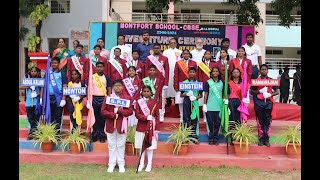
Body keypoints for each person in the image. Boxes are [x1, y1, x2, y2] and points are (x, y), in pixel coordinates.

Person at [101, 80, 133, 173]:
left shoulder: (127, 98)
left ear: (123, 87)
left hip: (121, 124)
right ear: (113, 87)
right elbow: (103, 111)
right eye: (116, 86)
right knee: (111, 145)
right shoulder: (108, 97)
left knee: (120, 144)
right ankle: (111, 164)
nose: (118, 87)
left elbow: (130, 111)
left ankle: (121, 164)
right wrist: (112, 114)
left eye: (119, 86)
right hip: (111, 124)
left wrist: (119, 111)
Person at [250, 64, 279, 147]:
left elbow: (277, 91)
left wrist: (270, 95)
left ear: (267, 71)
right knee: (260, 121)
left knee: (268, 121)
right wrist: (260, 91)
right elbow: (252, 92)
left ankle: (267, 139)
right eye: (262, 69)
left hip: (268, 102)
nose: (263, 71)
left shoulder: (272, 80)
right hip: (259, 102)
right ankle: (261, 139)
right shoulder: (256, 81)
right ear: (260, 71)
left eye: (265, 69)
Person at [135, 86, 160, 172]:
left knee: (150, 146)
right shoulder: (138, 102)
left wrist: (156, 128)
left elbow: (157, 116)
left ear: (151, 92)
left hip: (151, 128)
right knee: (141, 146)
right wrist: (146, 117)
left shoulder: (154, 102)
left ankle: (149, 164)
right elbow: (137, 115)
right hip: (141, 127)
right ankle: (141, 164)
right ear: (142, 92)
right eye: (144, 91)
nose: (146, 93)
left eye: (148, 91)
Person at [203, 67, 228, 145]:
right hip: (210, 106)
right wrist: (204, 104)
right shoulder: (208, 82)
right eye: (213, 71)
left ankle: (216, 139)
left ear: (219, 73)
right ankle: (211, 138)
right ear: (211, 73)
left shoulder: (222, 82)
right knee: (210, 123)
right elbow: (206, 94)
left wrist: (226, 102)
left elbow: (224, 93)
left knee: (217, 124)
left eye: (216, 71)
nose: (215, 72)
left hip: (219, 106)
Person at [89, 61, 112, 143]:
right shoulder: (92, 77)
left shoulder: (107, 77)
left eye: (101, 66)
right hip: (94, 98)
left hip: (103, 99)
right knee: (95, 117)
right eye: (97, 66)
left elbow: (109, 88)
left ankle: (102, 135)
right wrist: (89, 100)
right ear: (95, 67)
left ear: (103, 68)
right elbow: (89, 88)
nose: (99, 68)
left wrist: (109, 98)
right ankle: (94, 135)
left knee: (102, 118)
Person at [145, 43, 169, 122]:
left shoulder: (165, 58)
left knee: (161, 98)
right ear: (153, 49)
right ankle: (150, 113)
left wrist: (166, 83)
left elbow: (167, 71)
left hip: (161, 82)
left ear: (160, 49)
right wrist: (146, 81)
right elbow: (146, 70)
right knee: (150, 97)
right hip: (151, 81)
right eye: (155, 48)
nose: (156, 49)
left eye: (158, 48)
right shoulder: (149, 58)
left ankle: (161, 114)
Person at [174, 49, 198, 122]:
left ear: (189, 55)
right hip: (181, 85)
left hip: (191, 85)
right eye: (184, 54)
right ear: (182, 55)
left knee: (191, 101)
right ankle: (182, 116)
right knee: (181, 102)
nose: (186, 55)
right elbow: (176, 75)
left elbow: (195, 75)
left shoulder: (193, 63)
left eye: (187, 54)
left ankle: (191, 117)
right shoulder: (178, 63)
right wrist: (176, 85)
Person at [180, 67, 203, 143]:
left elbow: (201, 95)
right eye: (190, 72)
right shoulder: (184, 83)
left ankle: (193, 135)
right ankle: (186, 135)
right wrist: (187, 94)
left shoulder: (198, 83)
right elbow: (181, 95)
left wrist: (195, 97)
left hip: (194, 101)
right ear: (188, 73)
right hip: (187, 101)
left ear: (195, 73)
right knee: (186, 117)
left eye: (193, 72)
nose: (191, 73)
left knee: (194, 118)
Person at [46, 57, 68, 134]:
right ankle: (50, 133)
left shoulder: (62, 74)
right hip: (49, 98)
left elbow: (65, 86)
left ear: (59, 64)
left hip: (58, 98)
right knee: (50, 115)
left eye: (55, 63)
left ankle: (57, 134)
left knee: (58, 116)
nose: (54, 64)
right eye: (52, 63)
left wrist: (64, 98)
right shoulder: (47, 73)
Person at [228, 68, 250, 144]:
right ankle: (232, 137)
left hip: (240, 102)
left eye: (237, 72)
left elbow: (246, 93)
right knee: (232, 119)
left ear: (240, 74)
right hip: (231, 102)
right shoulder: (229, 83)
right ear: (232, 74)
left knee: (239, 119)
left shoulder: (243, 83)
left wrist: (246, 101)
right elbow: (227, 94)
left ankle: (239, 137)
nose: (236, 73)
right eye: (234, 72)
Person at [20, 66, 42, 140]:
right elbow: (21, 87)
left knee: (36, 118)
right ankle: (33, 133)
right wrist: (29, 86)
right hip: (29, 102)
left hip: (36, 102)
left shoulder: (40, 80)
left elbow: (43, 90)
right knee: (30, 118)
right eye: (32, 71)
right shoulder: (27, 79)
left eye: (35, 71)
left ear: (37, 72)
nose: (33, 73)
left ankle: (32, 134)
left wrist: (37, 94)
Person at [163, 38, 182, 106]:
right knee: (169, 85)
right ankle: (168, 101)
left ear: (176, 44)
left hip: (177, 71)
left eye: (174, 43)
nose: (173, 44)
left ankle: (177, 101)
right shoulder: (166, 52)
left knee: (176, 85)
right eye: (171, 43)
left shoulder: (180, 51)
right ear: (169, 44)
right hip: (168, 71)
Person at [197, 50, 215, 123]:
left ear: (211, 56)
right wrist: (200, 85)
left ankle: (210, 116)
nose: (207, 55)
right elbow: (199, 76)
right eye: (206, 54)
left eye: (209, 54)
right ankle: (205, 116)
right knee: (204, 102)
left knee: (211, 101)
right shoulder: (201, 65)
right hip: (204, 85)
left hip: (212, 85)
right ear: (204, 56)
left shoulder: (214, 64)